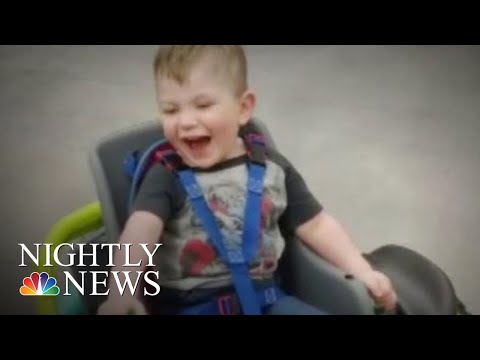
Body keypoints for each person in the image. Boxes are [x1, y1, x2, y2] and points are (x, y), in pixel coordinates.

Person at [97, 45, 397, 315]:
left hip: (270, 300)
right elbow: (139, 234)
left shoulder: (271, 168)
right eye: (171, 110)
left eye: (202, 105)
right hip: (194, 306)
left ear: (243, 108)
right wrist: (121, 293)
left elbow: (316, 225)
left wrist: (363, 271)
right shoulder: (164, 175)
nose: (186, 121)